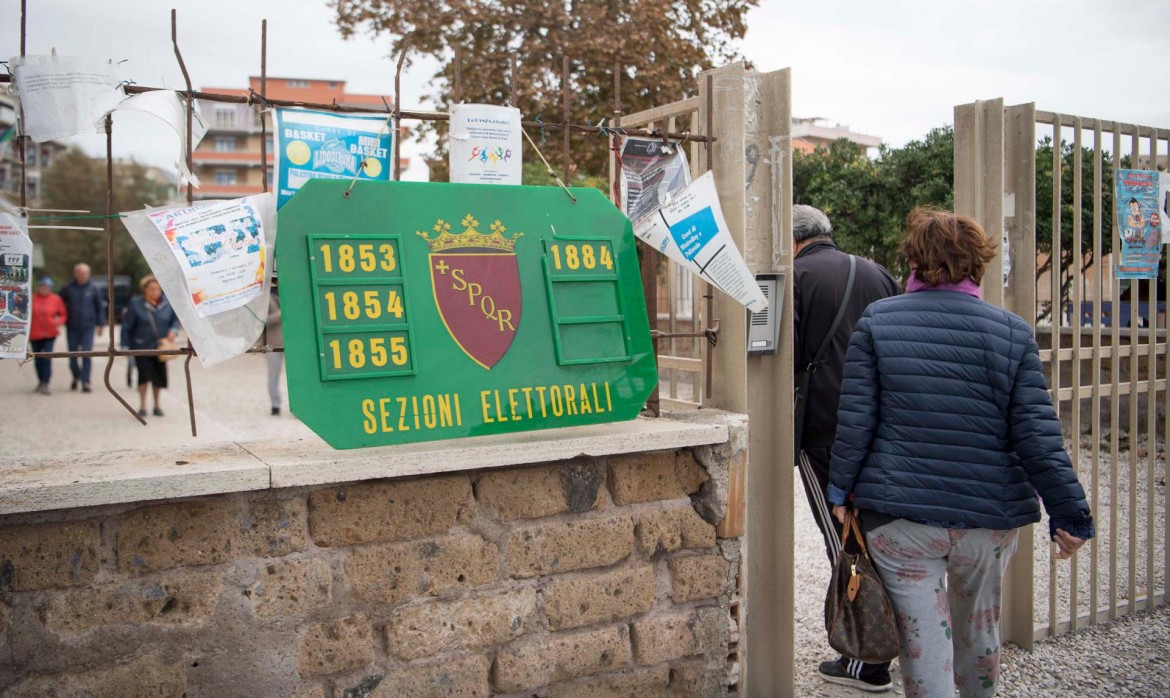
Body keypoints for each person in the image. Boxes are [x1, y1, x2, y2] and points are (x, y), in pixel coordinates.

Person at [828, 207, 1093, 697]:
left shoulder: (878, 323)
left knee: (922, 645)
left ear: (912, 261)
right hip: (988, 519)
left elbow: (856, 420)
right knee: (978, 633)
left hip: (900, 517)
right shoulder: (1012, 332)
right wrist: (1070, 515)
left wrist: (841, 489)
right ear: (978, 263)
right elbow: (1037, 434)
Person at [791, 204, 900, 692]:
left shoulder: (793, 276)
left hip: (823, 430)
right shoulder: (877, 272)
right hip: (879, 424)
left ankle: (867, 660)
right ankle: (904, 637)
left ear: (791, 239)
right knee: (873, 532)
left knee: (845, 541)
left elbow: (781, 358)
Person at [121, 275, 180, 418]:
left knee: (158, 377)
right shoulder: (136, 304)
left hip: (161, 347)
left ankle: (157, 405)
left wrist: (173, 331)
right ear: (145, 289)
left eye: (158, 289)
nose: (155, 292)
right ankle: (142, 406)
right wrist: (124, 345)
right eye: (152, 289)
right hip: (141, 346)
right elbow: (127, 326)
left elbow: (175, 320)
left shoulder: (167, 304)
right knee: (143, 376)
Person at [58, 262, 106, 393]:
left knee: (86, 353)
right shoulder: (68, 288)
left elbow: (99, 308)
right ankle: (76, 376)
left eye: (84, 273)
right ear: (75, 274)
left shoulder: (94, 288)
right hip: (72, 326)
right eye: (80, 273)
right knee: (72, 355)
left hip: (88, 326)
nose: (82, 275)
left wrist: (100, 324)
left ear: (88, 274)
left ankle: (85, 381)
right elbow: (58, 303)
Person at [29, 276, 67, 395]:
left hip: (49, 333)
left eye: (47, 287)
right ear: (39, 287)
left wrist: (58, 322)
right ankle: (40, 381)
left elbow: (63, 314)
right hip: (34, 333)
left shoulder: (56, 299)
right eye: (42, 287)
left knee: (47, 357)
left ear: (50, 288)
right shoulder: (32, 299)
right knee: (38, 359)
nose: (44, 289)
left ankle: (46, 382)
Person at [266, 290, 284, 416]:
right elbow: (261, 320)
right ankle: (275, 405)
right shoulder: (266, 298)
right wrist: (278, 315)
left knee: (297, 375)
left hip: (291, 344)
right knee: (273, 375)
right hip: (273, 344)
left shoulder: (287, 295)